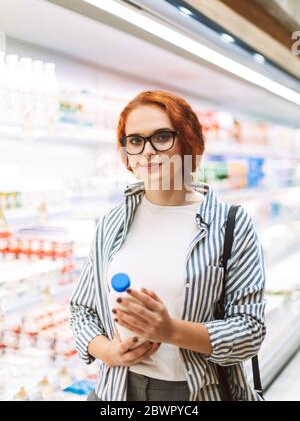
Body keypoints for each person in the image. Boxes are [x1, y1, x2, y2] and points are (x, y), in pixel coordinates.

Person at [70, 90, 266, 401]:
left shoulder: (230, 224)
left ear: (189, 142)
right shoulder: (111, 223)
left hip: (198, 392)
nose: (147, 151)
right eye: (135, 141)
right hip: (117, 389)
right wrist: (110, 352)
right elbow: (82, 310)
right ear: (126, 155)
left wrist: (170, 331)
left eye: (162, 137)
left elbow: (250, 332)